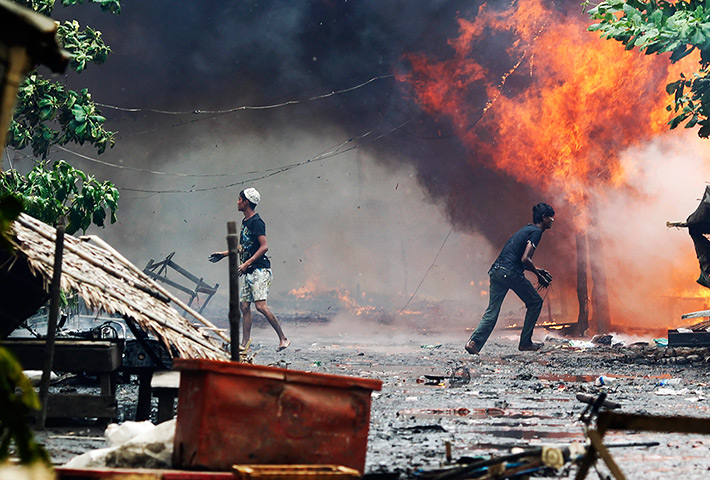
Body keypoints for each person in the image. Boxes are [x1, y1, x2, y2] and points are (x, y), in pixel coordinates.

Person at [465, 203, 555, 354]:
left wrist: (537, 269)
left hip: (497, 271)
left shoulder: (526, 229)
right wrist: (538, 276)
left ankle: (473, 342)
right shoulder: (536, 232)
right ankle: (525, 343)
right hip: (510, 273)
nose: (552, 220)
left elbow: (517, 258)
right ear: (544, 218)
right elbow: (525, 259)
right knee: (535, 302)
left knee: (492, 311)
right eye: (550, 217)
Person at [209, 187, 290, 352]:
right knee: (244, 307)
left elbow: (264, 247)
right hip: (249, 271)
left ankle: (283, 338)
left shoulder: (257, 222)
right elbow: (244, 246)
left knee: (260, 306)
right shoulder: (246, 222)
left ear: (246, 202)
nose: (237, 202)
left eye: (239, 199)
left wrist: (247, 263)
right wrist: (225, 254)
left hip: (260, 270)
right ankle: (245, 344)